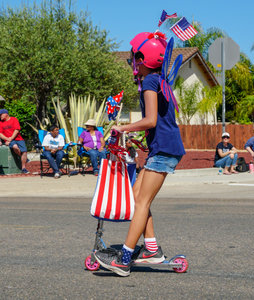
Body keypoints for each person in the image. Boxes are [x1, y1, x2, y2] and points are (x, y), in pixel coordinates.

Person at [93, 31, 185, 276]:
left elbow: (151, 119)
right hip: (162, 147)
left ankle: (124, 258)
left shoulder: (150, 82)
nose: (132, 61)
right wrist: (140, 139)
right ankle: (152, 251)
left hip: (165, 150)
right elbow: (160, 121)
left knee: (142, 202)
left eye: (134, 56)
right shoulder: (157, 80)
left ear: (143, 58)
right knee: (136, 199)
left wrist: (123, 127)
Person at [0, 109, 29, 174]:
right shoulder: (0, 123)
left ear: (6, 114)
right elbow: (0, 134)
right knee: (15, 147)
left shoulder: (14, 119)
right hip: (9, 140)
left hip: (18, 138)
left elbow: (17, 130)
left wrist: (11, 138)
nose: (0, 116)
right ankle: (23, 158)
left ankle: (23, 168)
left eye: (1, 115)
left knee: (24, 151)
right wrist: (7, 139)